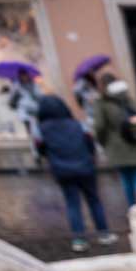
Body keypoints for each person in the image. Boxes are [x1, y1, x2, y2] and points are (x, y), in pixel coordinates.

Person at [35, 95, 112, 253]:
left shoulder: (41, 129)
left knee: (72, 204)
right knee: (94, 200)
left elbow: (40, 150)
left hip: (62, 170)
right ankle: (104, 234)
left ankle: (79, 239)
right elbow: (90, 144)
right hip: (85, 167)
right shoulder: (77, 125)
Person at [93, 74, 136, 209]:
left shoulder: (102, 102)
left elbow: (99, 126)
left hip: (117, 146)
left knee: (126, 179)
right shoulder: (127, 98)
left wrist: (102, 142)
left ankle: (133, 209)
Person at [9, 69, 41, 156]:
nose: (24, 77)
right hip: (24, 112)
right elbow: (11, 102)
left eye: (25, 75)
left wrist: (34, 94)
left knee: (38, 130)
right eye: (22, 75)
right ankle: (34, 151)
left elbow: (40, 97)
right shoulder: (16, 87)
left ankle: (39, 147)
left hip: (35, 110)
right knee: (30, 130)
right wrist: (17, 94)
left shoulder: (34, 85)